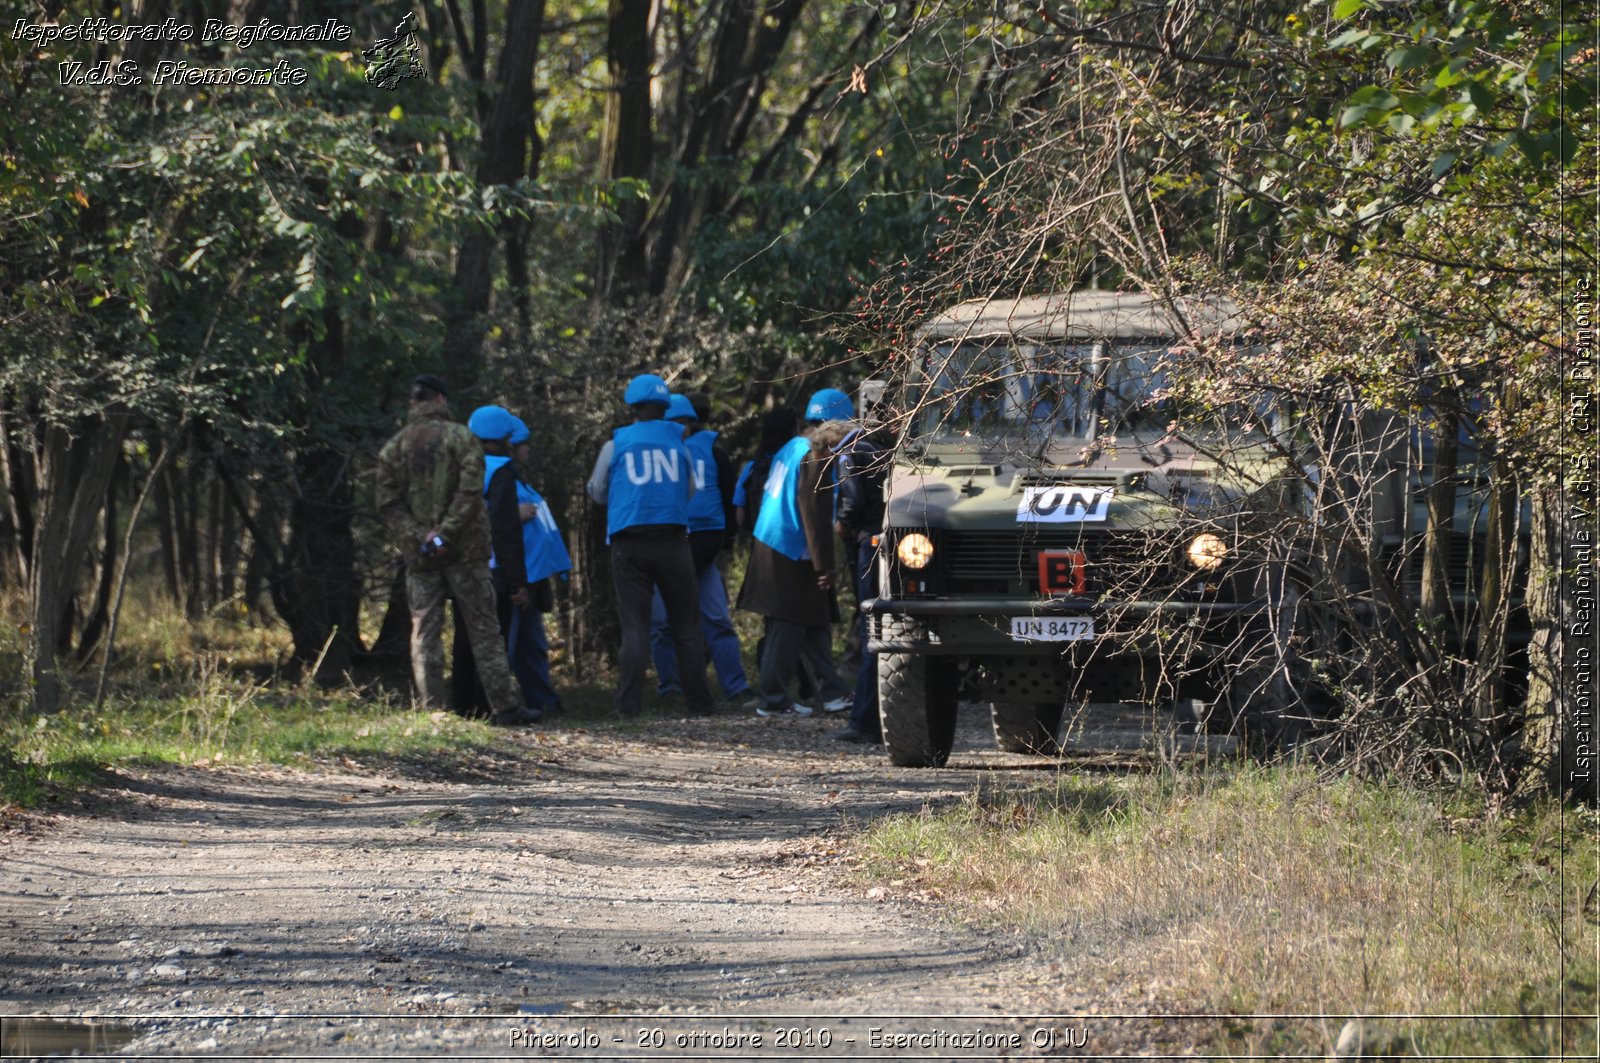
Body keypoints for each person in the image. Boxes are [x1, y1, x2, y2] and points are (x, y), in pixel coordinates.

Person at [375, 375, 540, 727]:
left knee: (425, 632)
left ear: (413, 402)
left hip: (421, 557)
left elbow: (388, 503)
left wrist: (422, 537)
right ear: (440, 398)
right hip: (466, 551)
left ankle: (434, 711)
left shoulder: (394, 448)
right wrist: (446, 534)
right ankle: (505, 707)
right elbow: (470, 493)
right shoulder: (463, 440)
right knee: (483, 627)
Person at [586, 374, 717, 718]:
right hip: (673, 540)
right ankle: (700, 705)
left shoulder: (616, 444)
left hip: (629, 543)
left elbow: (597, 491)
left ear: (632, 406)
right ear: (665, 408)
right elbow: (689, 491)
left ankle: (628, 707)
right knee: (686, 627)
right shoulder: (679, 444)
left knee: (635, 629)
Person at [736, 388, 856, 717]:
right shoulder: (816, 455)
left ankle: (833, 693)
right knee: (786, 625)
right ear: (836, 425)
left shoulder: (792, 445)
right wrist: (825, 566)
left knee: (813, 621)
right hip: (790, 548)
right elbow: (813, 512)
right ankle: (772, 699)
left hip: (773, 540)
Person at [648, 394, 755, 708]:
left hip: (704, 549)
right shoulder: (653, 453)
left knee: (717, 620)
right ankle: (670, 688)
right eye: (672, 422)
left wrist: (727, 542)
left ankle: (736, 687)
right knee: (662, 624)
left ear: (692, 422)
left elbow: (726, 494)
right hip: (666, 545)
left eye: (682, 422)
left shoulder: (712, 451)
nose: (678, 428)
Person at [449, 405, 545, 723]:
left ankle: (461, 708)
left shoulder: (458, 466)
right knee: (493, 640)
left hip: (457, 566)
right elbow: (506, 531)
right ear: (504, 438)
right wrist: (518, 581)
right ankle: (491, 708)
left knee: (463, 640)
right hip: (491, 569)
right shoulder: (501, 471)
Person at [830, 418, 889, 744]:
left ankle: (863, 722)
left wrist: (842, 523)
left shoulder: (849, 454)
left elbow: (852, 499)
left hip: (866, 542)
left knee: (870, 630)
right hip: (887, 538)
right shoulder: (883, 451)